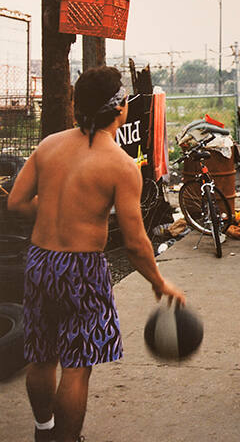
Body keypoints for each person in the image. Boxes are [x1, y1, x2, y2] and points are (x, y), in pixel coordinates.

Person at [8, 66, 186, 442]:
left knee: (40, 356)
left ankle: (44, 431)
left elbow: (17, 203)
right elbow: (137, 243)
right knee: (76, 365)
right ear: (121, 108)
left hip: (40, 261)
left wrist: (57, 209)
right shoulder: (121, 166)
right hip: (82, 269)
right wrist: (159, 282)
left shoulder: (48, 146)